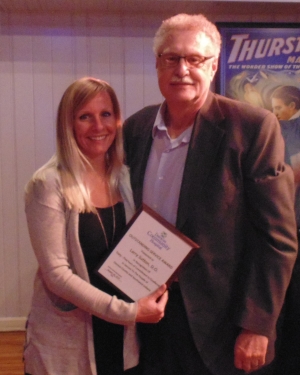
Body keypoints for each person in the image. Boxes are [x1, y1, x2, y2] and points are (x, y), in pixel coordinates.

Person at [123, 13, 298, 375]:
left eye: (195, 59)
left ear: (214, 65)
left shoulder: (251, 127)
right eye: (171, 58)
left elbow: (278, 238)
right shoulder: (136, 127)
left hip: (220, 321)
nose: (182, 69)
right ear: (158, 63)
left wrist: (257, 324)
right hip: (146, 307)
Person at [23, 77, 168, 375]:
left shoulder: (126, 178)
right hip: (71, 338)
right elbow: (57, 275)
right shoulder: (48, 183)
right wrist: (128, 312)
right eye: (84, 117)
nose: (98, 126)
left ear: (118, 120)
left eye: (106, 114)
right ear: (69, 124)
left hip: (122, 336)